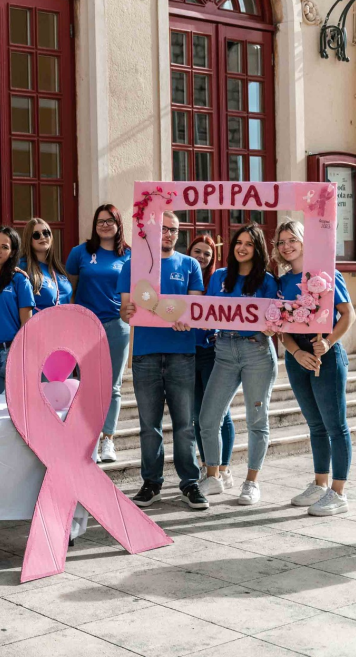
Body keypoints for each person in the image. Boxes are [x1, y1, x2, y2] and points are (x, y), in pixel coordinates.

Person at [120, 212, 208, 509]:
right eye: (164, 229)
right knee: (149, 425)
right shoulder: (134, 265)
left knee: (185, 424)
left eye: (175, 230)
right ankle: (152, 483)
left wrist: (187, 319)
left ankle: (190, 483)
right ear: (152, 231)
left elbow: (194, 308)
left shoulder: (190, 264)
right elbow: (125, 310)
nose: (169, 234)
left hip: (181, 353)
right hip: (145, 352)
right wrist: (129, 312)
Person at [274, 219, 356, 516]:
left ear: (304, 241)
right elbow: (281, 327)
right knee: (315, 425)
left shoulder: (326, 274)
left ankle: (338, 492)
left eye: (292, 239)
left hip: (327, 358)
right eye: (282, 241)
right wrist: (295, 353)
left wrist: (330, 342)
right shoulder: (281, 281)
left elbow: (348, 314)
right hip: (299, 360)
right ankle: (320, 483)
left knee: (336, 425)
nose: (287, 246)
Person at [197, 223, 278, 505]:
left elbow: (277, 318)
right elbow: (204, 314)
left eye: (249, 243)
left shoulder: (267, 281)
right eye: (238, 242)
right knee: (208, 418)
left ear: (258, 249)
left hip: (256, 351)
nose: (242, 247)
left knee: (257, 420)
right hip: (224, 351)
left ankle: (251, 483)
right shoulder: (219, 277)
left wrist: (272, 327)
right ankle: (212, 476)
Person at [66, 205, 130, 463]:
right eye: (100, 221)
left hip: (116, 325)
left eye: (110, 220)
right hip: (84, 325)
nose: (104, 225)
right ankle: (86, 437)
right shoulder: (79, 253)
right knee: (84, 383)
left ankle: (108, 440)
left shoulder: (129, 255)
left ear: (118, 223)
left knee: (112, 385)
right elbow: (69, 288)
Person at [189, 235, 236, 490]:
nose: (202, 257)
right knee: (199, 414)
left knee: (220, 412)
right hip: (187, 352)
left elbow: (225, 309)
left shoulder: (217, 280)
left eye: (207, 253)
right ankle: (209, 467)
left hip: (212, 352)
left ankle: (224, 467)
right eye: (198, 251)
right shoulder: (185, 275)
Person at [0, 226, 35, 394]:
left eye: (5, 247)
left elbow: (27, 325)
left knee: (16, 408)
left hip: (13, 352)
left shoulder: (20, 280)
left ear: (12, 251)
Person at [19, 218, 72, 311]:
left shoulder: (58, 268)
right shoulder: (22, 266)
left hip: (63, 323)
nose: (42, 237)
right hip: (38, 323)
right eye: (36, 235)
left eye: (46, 233)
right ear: (29, 239)